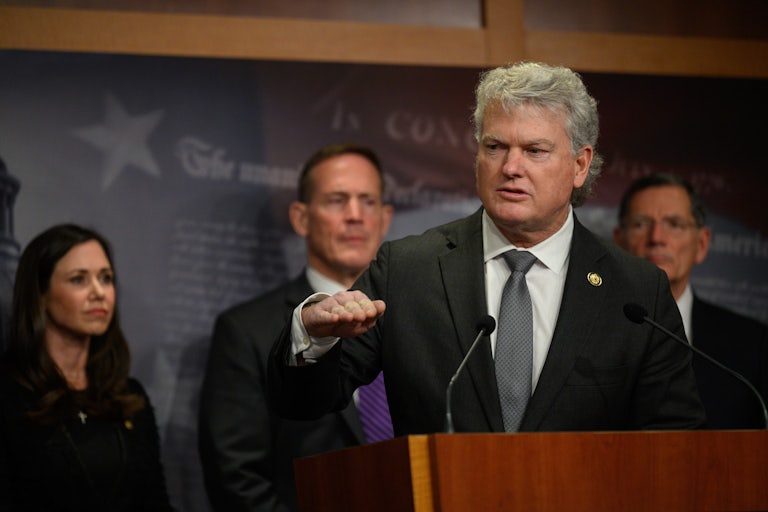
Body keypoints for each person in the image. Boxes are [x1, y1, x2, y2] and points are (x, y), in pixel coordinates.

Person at [267, 61, 706, 434]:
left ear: (579, 165)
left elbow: (676, 443)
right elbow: (303, 404)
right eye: (495, 147)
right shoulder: (407, 269)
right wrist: (314, 335)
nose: (511, 167)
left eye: (535, 150)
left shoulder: (637, 292)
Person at [198, 143, 394, 511]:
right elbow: (237, 477)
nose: (356, 216)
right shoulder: (246, 330)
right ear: (301, 218)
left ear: (385, 218)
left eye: (368, 202)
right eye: (337, 200)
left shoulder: (414, 316)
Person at [0, 223, 174, 511]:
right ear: (40, 295)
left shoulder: (128, 395)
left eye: (106, 279)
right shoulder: (8, 394)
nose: (99, 292)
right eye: (79, 280)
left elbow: (155, 503)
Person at [614, 172, 768, 429]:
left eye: (674, 224)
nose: (657, 238)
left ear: (702, 244)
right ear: (619, 241)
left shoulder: (753, 343)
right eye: (641, 224)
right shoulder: (590, 329)